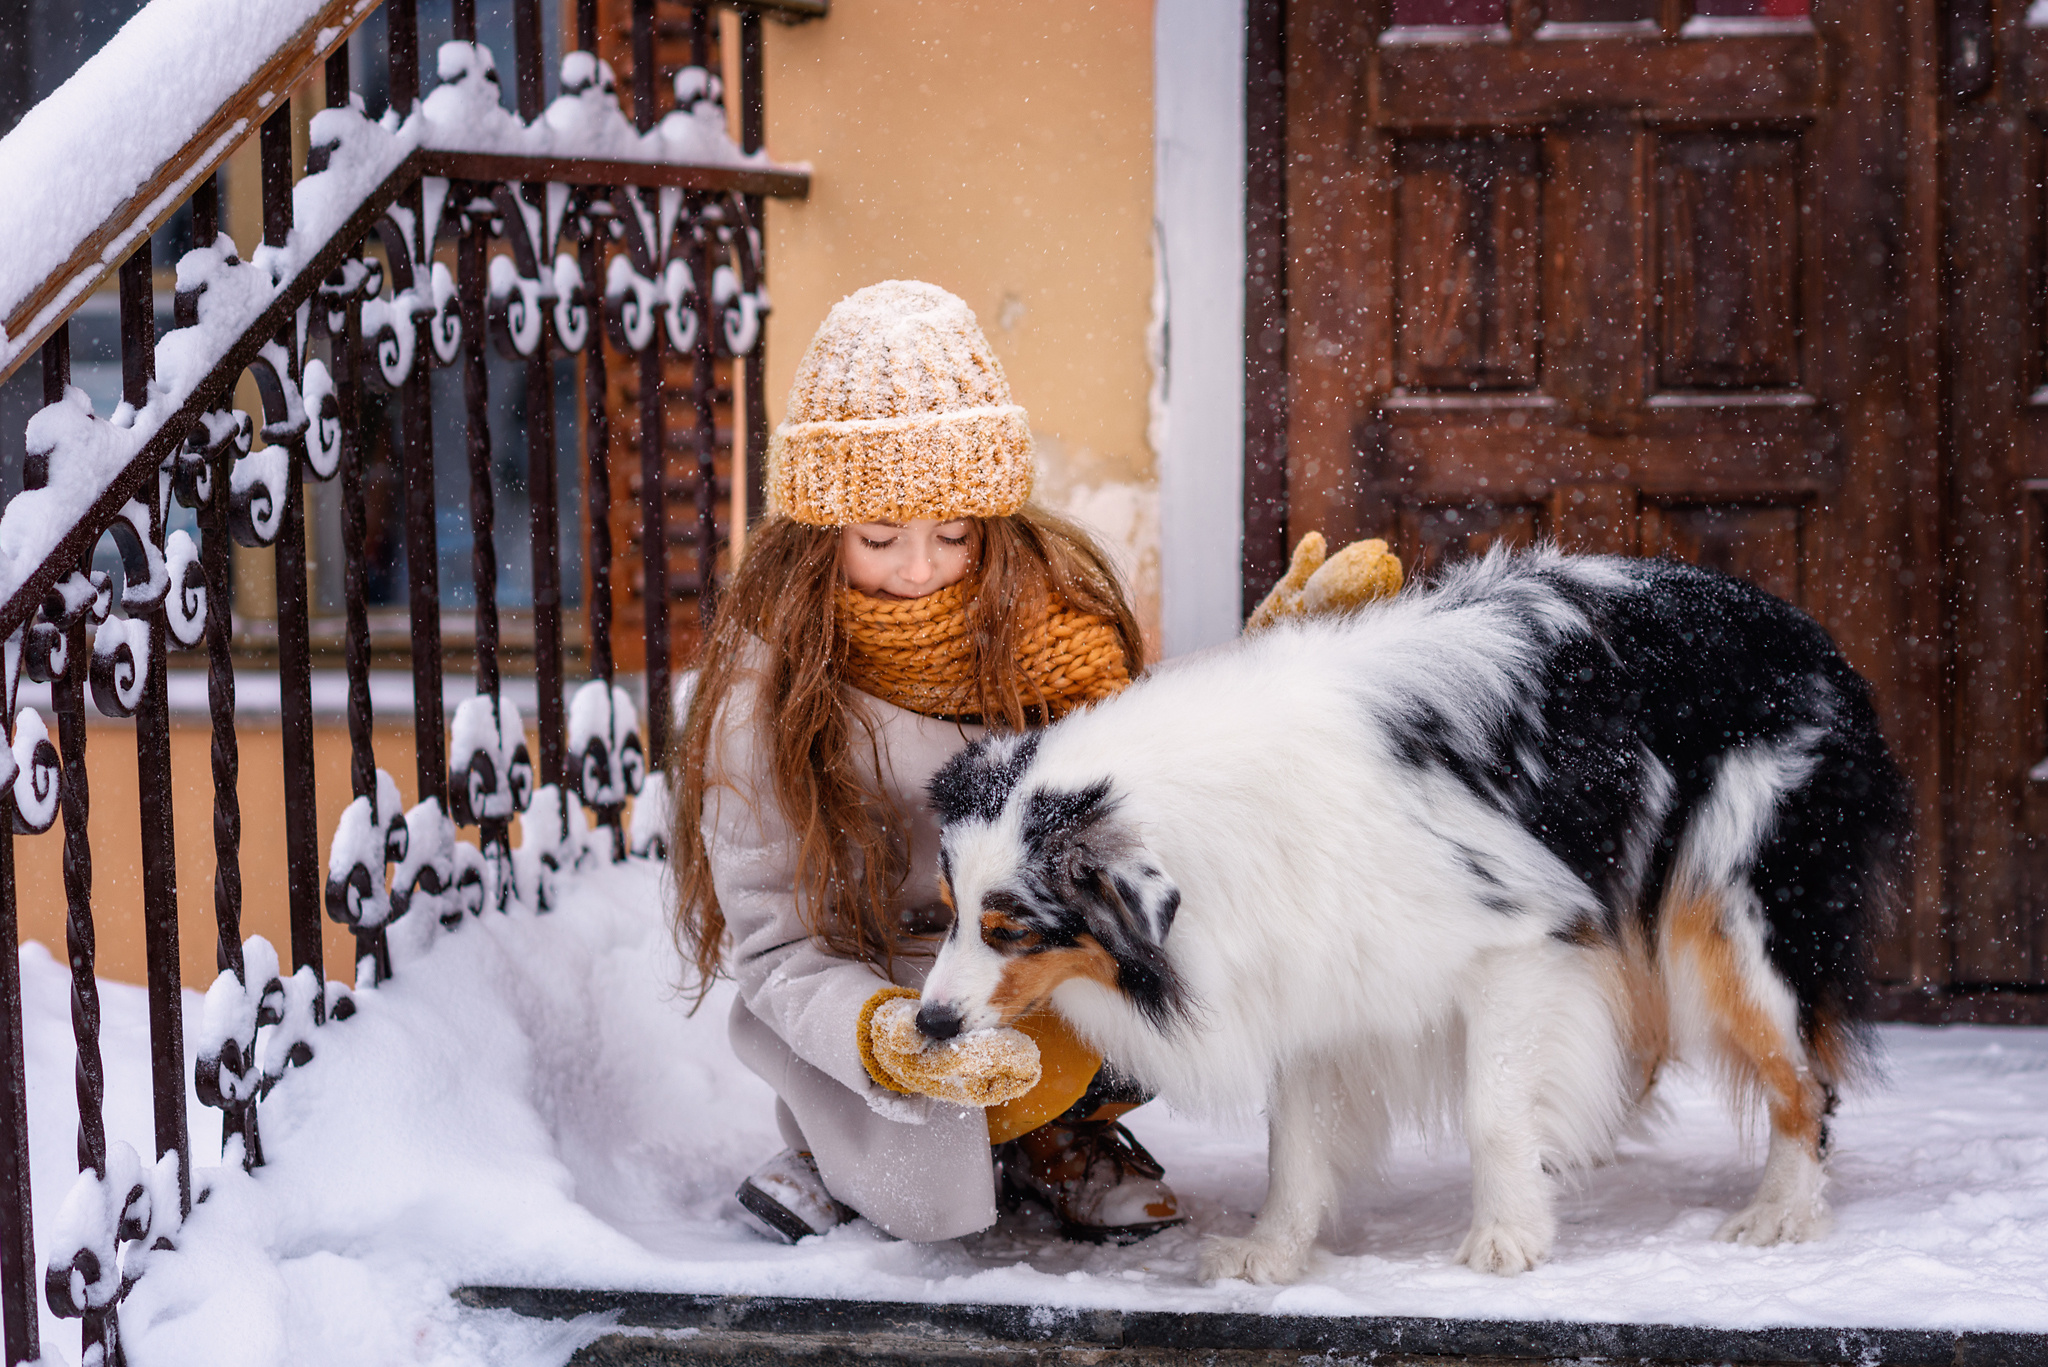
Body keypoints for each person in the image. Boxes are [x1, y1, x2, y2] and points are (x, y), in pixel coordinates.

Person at [669, 280, 1185, 1246]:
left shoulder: (1049, 627)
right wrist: (881, 1035)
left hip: (1019, 951)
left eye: (952, 534)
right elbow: (778, 946)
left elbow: (1145, 770)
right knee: (916, 1143)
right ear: (820, 536)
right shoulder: (766, 692)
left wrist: (1275, 668)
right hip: (879, 985)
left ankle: (1059, 1134)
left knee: (1159, 966)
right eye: (879, 538)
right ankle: (835, 1144)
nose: (919, 569)